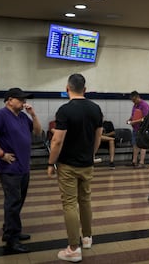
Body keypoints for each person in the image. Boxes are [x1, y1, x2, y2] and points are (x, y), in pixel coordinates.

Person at [47, 73, 103, 263]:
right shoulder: (96, 109)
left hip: (68, 166)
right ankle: (87, 238)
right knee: (85, 200)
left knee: (70, 203)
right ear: (85, 89)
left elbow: (57, 140)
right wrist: (91, 155)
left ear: (67, 89)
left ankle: (73, 248)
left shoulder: (64, 110)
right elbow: (98, 137)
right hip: (87, 164)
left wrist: (50, 163)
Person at [0, 88, 42, 253]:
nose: (24, 102)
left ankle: (9, 230)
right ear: (10, 100)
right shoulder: (2, 115)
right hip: (10, 169)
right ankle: (12, 240)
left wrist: (34, 115)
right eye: (21, 99)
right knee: (13, 203)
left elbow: (38, 132)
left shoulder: (23, 116)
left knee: (17, 202)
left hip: (23, 167)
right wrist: (1, 154)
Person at [127, 91, 149, 168]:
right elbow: (133, 115)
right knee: (135, 145)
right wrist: (129, 120)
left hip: (143, 128)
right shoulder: (135, 105)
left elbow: (145, 118)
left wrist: (133, 122)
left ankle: (142, 162)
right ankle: (134, 161)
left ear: (137, 97)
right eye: (132, 101)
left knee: (143, 145)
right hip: (135, 128)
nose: (133, 102)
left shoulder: (144, 105)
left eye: (134, 100)